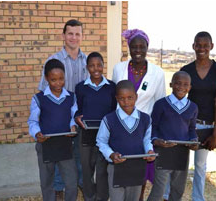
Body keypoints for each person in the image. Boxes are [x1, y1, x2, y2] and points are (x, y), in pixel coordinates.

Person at [164, 31, 216, 201]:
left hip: (206, 125)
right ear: (193, 46)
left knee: (200, 165)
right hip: (185, 124)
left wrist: (215, 133)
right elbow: (178, 99)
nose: (202, 48)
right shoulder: (186, 70)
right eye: (198, 45)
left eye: (205, 45)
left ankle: (198, 198)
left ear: (211, 46)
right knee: (176, 161)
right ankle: (167, 195)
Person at [112, 29, 166, 200]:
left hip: (143, 129)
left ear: (147, 48)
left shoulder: (157, 73)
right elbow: (115, 98)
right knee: (122, 166)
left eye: (142, 47)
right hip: (121, 126)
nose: (138, 51)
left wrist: (156, 133)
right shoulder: (118, 68)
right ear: (129, 48)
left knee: (140, 171)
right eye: (134, 47)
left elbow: (160, 104)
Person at [38, 19, 87, 198]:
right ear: (63, 35)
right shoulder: (53, 61)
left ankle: (77, 185)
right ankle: (59, 190)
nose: (73, 37)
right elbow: (42, 94)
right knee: (59, 155)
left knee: (78, 155)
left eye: (77, 34)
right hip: (58, 119)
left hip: (79, 118)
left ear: (82, 36)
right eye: (70, 33)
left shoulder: (88, 61)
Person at [96, 80, 156, 201]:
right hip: (116, 168)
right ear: (117, 98)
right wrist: (111, 154)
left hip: (137, 167)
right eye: (122, 98)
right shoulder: (109, 119)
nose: (126, 102)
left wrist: (149, 150)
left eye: (130, 97)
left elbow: (147, 139)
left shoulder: (145, 119)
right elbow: (101, 141)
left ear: (136, 97)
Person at [28, 59, 78, 201]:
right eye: (53, 80)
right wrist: (37, 133)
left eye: (61, 79)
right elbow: (33, 121)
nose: (58, 83)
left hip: (65, 145)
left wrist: (73, 125)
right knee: (47, 182)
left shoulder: (71, 97)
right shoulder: (39, 98)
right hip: (46, 145)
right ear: (46, 79)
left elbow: (74, 116)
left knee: (71, 182)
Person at [147, 71, 199, 201]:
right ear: (171, 84)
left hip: (182, 153)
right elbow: (153, 127)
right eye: (178, 83)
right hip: (163, 152)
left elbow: (192, 129)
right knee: (158, 190)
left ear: (190, 87)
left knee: (178, 189)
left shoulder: (193, 107)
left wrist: (194, 140)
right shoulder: (161, 104)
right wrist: (156, 141)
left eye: (185, 84)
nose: (181, 87)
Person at [74, 52, 117, 201]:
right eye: (92, 66)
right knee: (87, 169)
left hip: (105, 135)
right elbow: (77, 109)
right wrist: (76, 118)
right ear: (87, 68)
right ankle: (89, 197)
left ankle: (102, 197)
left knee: (102, 170)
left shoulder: (111, 87)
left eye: (99, 65)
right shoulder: (80, 88)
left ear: (103, 65)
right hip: (86, 135)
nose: (96, 69)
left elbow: (114, 110)